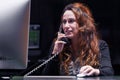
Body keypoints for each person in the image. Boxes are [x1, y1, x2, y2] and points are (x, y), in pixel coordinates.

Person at [42, 2, 114, 76]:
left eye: (71, 21)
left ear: (82, 24)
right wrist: (55, 54)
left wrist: (95, 71)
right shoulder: (59, 44)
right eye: (64, 22)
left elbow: (109, 71)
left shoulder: (100, 45)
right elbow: (46, 75)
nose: (66, 26)